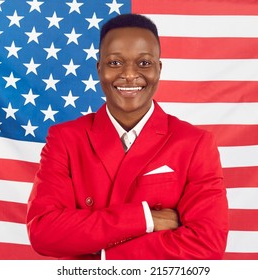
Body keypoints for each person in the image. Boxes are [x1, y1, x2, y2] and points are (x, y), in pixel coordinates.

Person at [26, 13, 229, 260]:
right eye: (114, 63)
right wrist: (146, 219)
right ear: (99, 69)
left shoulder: (195, 143)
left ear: (159, 69)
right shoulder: (65, 139)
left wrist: (103, 254)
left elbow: (207, 245)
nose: (130, 75)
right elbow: (44, 232)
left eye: (144, 63)